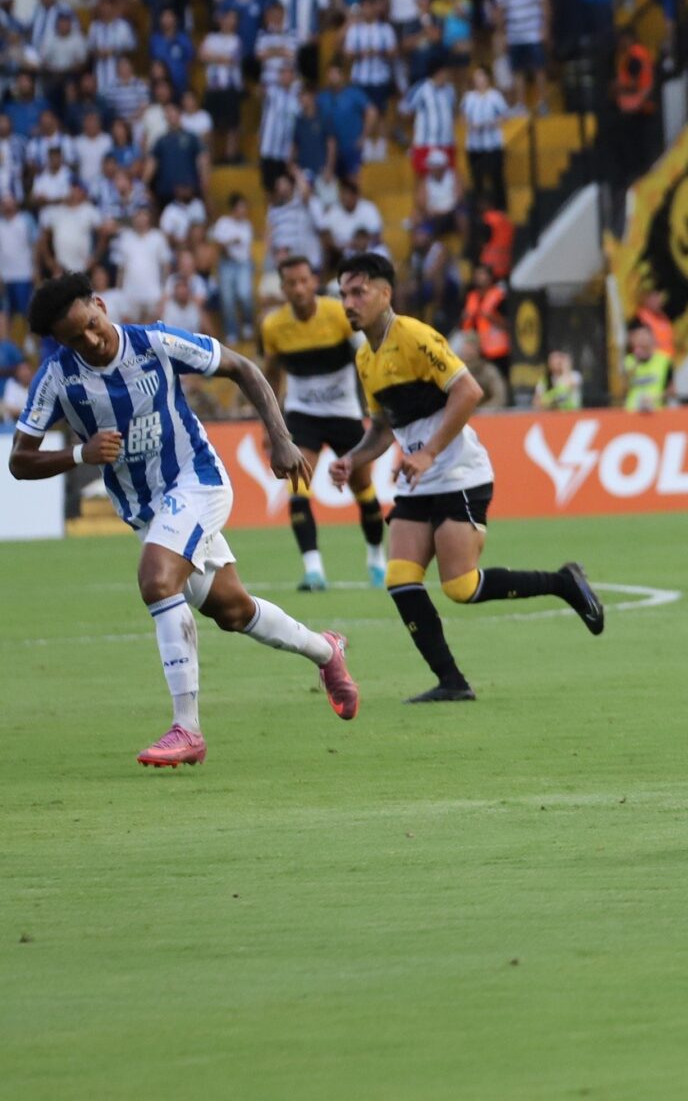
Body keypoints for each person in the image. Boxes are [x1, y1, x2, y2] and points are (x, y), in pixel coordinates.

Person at [9, 273, 361, 766]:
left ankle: (187, 729)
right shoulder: (57, 378)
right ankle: (326, 651)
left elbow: (243, 368)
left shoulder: (154, 341)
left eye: (91, 324)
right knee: (233, 611)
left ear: (100, 304)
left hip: (197, 481)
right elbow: (19, 462)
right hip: (147, 511)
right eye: (74, 339)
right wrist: (79, 453)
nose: (90, 340)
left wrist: (280, 436)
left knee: (156, 580)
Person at [336, 252, 603, 703]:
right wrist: (353, 458)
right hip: (418, 478)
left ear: (386, 294)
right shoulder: (365, 358)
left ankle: (563, 582)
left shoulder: (416, 337)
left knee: (460, 587)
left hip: (458, 471)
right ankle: (452, 682)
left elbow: (469, 391)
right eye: (343, 292)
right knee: (400, 577)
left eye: (358, 291)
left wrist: (430, 453)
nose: (348, 301)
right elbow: (383, 428)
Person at [260, 253, 388, 593]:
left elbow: (368, 357)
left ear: (314, 282)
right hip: (303, 415)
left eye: (304, 281)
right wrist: (269, 426)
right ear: (283, 288)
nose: (299, 288)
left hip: (345, 413)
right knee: (298, 485)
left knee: (363, 488)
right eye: (291, 283)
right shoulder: (274, 326)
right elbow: (269, 374)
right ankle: (313, 570)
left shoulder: (338, 314)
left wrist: (379, 409)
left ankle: (376, 559)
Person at [622, 323, 672, 408]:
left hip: (656, 412)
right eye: (638, 337)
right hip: (632, 412)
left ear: (652, 338)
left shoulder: (664, 361)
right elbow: (622, 390)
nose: (641, 340)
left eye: (644, 336)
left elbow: (672, 391)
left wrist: (655, 398)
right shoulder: (628, 361)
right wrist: (635, 364)